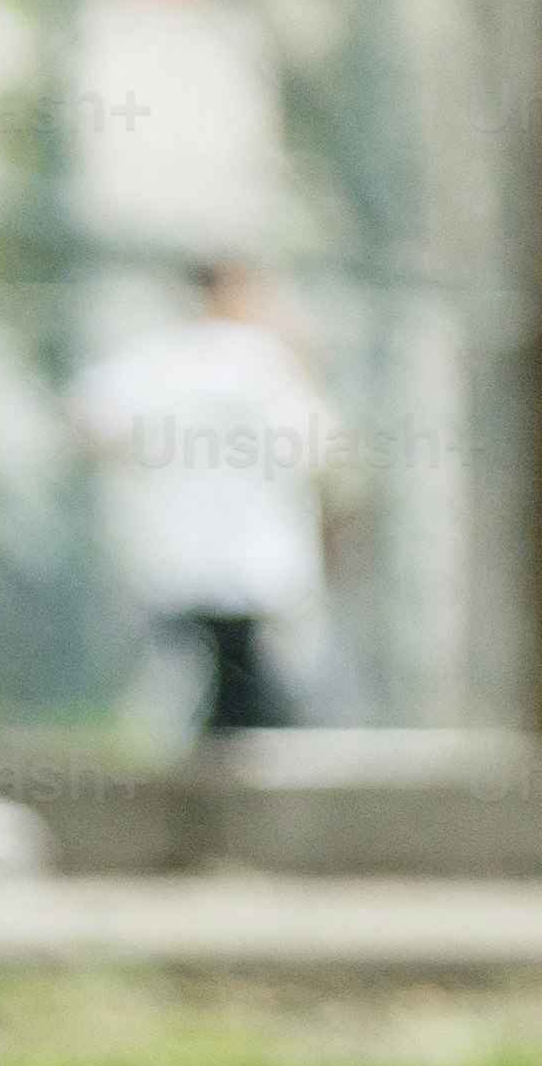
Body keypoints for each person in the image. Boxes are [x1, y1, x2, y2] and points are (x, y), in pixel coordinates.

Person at [64, 259, 338, 730]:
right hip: (255, 568)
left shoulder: (156, 360)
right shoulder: (267, 361)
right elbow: (317, 448)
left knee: (176, 699)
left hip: (177, 563)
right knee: (257, 703)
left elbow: (87, 424)